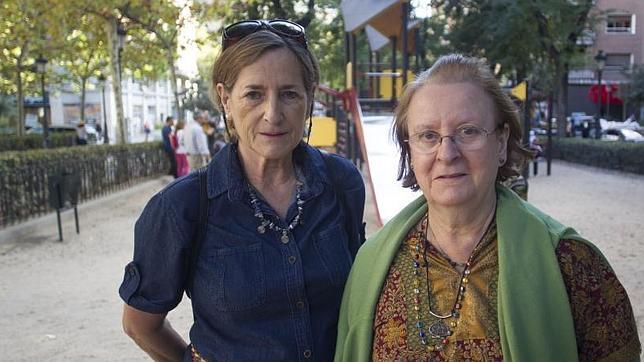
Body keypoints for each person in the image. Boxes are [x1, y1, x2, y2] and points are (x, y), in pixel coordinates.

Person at [335, 54, 641, 361]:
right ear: (410, 151)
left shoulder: (573, 264)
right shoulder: (371, 267)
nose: (447, 152)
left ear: (501, 142)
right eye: (428, 136)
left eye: (468, 131)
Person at [120, 19, 366, 361]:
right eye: (254, 94)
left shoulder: (341, 183)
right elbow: (140, 324)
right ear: (226, 100)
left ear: (309, 98)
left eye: (290, 94)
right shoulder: (181, 207)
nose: (273, 114)